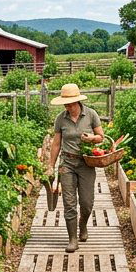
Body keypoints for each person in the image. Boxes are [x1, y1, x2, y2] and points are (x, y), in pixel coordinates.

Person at [48, 82, 104, 253]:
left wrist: (91, 139)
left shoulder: (91, 114)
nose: (69, 107)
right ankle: (72, 238)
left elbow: (101, 137)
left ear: (78, 102)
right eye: (66, 104)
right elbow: (56, 143)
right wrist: (50, 165)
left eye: (71, 103)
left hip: (86, 163)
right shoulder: (60, 119)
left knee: (87, 203)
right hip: (67, 163)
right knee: (69, 202)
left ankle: (83, 224)